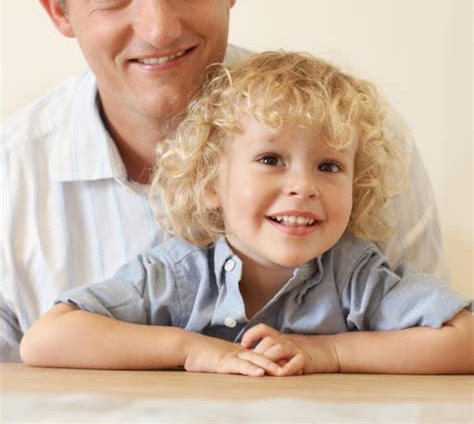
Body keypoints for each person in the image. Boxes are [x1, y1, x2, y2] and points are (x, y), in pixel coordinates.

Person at [1, 0, 448, 363]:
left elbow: (432, 374)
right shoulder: (12, 175)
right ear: (58, 9)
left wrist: (326, 350)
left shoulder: (356, 134)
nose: (160, 29)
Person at [20, 52, 472, 374]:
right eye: (271, 160)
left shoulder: (356, 276)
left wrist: (330, 353)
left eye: (329, 166)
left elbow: (466, 341)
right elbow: (45, 340)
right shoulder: (178, 276)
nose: (303, 186)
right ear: (210, 182)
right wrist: (190, 350)